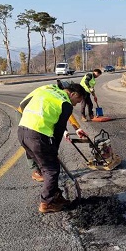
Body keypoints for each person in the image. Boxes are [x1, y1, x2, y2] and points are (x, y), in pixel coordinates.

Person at [18, 82, 88, 213]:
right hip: (38, 135)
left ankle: (56, 196)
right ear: (73, 94)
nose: (76, 104)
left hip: (22, 131)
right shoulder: (66, 104)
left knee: (46, 166)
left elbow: (22, 105)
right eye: (77, 101)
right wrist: (53, 150)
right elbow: (59, 130)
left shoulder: (47, 89)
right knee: (52, 169)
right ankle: (47, 203)